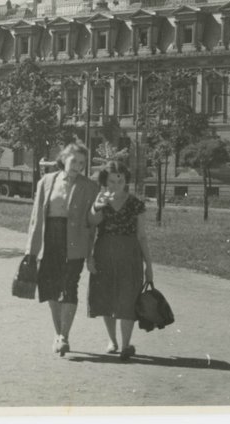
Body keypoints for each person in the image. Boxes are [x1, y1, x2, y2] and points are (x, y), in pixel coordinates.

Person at [25, 142, 98, 357]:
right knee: (49, 287)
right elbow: (35, 217)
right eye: (74, 160)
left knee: (69, 285)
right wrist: (30, 248)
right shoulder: (46, 181)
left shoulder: (90, 187)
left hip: (75, 241)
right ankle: (58, 333)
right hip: (50, 239)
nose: (77, 166)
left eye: (82, 163)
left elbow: (93, 224)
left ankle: (65, 335)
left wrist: (91, 253)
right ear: (63, 158)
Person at [87, 160, 154, 362]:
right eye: (112, 181)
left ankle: (126, 345)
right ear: (105, 182)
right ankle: (112, 341)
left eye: (120, 180)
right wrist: (98, 207)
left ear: (126, 181)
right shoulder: (100, 199)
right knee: (106, 296)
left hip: (129, 255)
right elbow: (91, 225)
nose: (116, 185)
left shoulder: (135, 204)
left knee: (127, 298)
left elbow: (142, 236)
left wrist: (148, 265)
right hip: (104, 252)